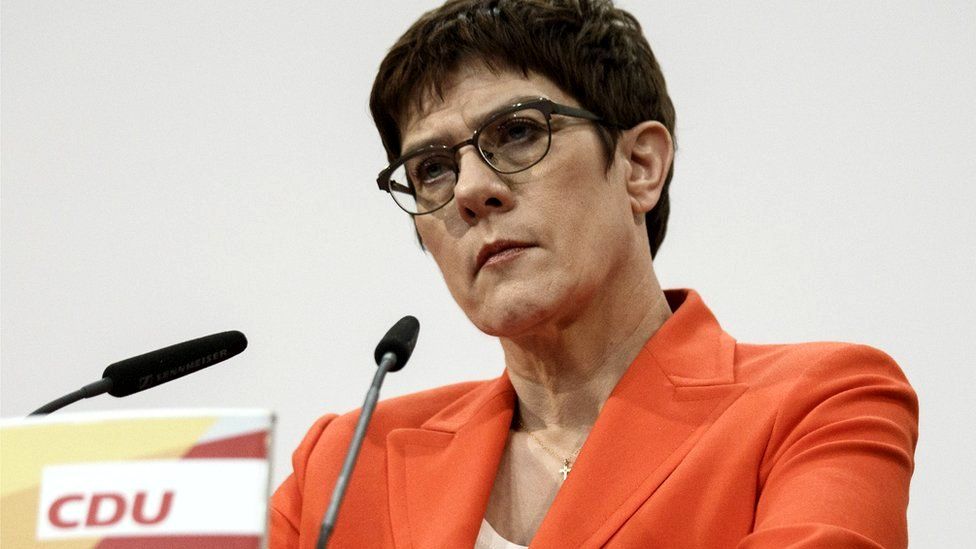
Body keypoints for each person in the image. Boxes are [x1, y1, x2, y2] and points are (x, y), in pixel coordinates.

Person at [270, 1, 918, 547]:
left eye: (518, 132)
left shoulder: (818, 403)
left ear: (639, 166)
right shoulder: (345, 462)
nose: (471, 188)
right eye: (432, 169)